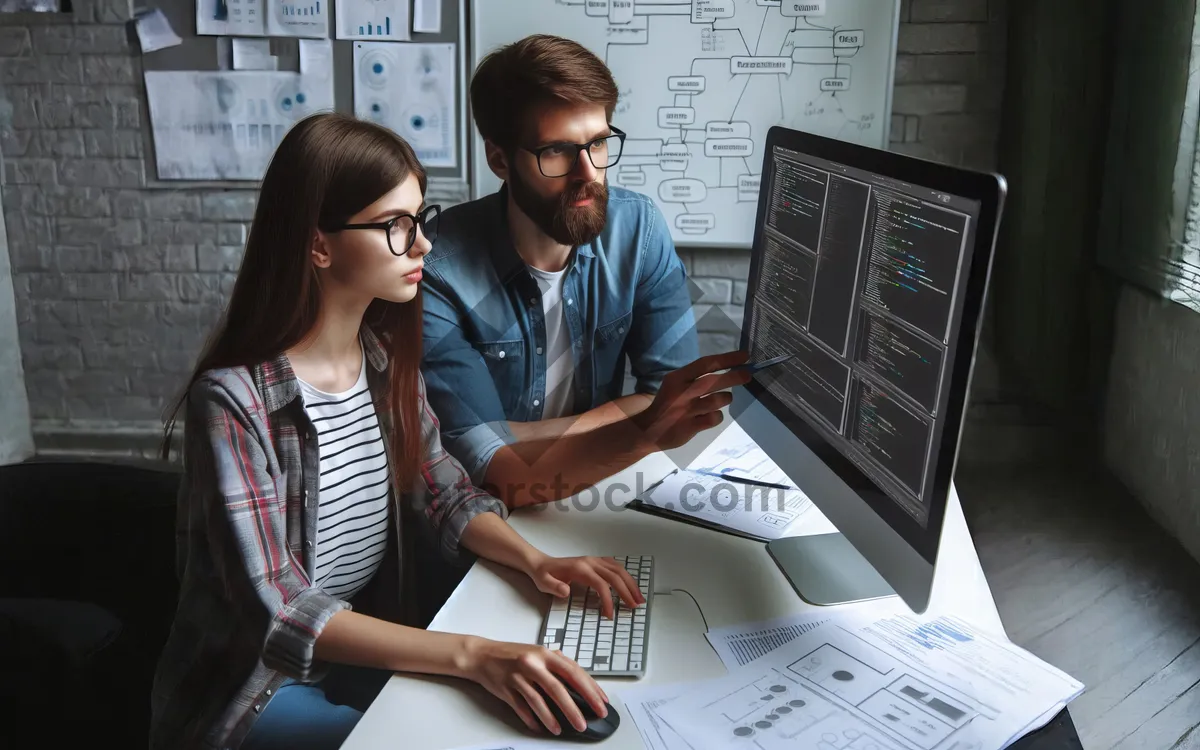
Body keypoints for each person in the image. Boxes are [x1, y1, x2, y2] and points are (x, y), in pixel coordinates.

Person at [149, 112, 648, 750]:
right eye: (395, 227)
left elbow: (446, 492)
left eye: (420, 218)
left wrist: (539, 563)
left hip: (357, 651)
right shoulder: (233, 400)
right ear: (318, 244)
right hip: (255, 689)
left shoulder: (382, 361)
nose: (423, 246)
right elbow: (281, 612)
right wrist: (474, 655)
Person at [422, 34, 751, 510]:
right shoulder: (438, 267)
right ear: (499, 160)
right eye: (556, 152)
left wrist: (528, 433)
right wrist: (636, 424)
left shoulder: (636, 230)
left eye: (598, 142)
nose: (589, 173)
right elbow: (486, 464)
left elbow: (671, 397)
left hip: (601, 491)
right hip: (489, 516)